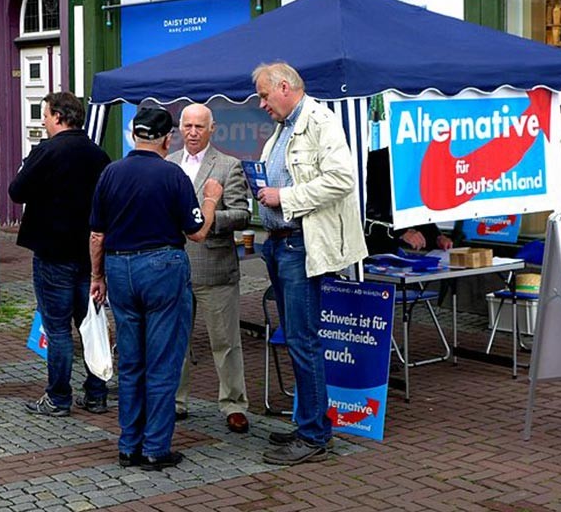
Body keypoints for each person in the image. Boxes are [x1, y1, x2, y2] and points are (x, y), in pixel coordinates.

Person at [89, 105, 223, 471]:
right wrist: (210, 199)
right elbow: (196, 231)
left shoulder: (110, 173)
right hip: (162, 265)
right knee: (162, 361)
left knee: (131, 362)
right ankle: (155, 448)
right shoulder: (173, 175)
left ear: (135, 135)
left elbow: (97, 234)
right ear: (168, 138)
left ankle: (128, 443)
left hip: (119, 267)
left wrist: (96, 277)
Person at [252, 62, 368, 465]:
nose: (262, 104)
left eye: (265, 96)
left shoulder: (320, 120)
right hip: (281, 244)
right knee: (296, 338)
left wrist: (284, 197)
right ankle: (308, 422)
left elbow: (342, 180)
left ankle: (315, 435)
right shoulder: (285, 128)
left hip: (300, 245)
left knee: (304, 340)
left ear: (285, 87)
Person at [8, 91, 111, 417]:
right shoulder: (98, 154)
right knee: (90, 324)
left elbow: (16, 190)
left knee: (57, 328)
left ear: (58, 117)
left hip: (53, 251)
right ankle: (96, 394)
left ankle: (58, 397)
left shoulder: (47, 151)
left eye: (46, 114)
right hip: (89, 254)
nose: (43, 120)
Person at [167, 103, 251, 433]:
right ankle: (175, 401)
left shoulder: (228, 165)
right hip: (175, 268)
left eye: (199, 127)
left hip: (215, 267)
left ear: (212, 130)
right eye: (187, 126)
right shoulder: (169, 164)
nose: (192, 132)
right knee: (176, 341)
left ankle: (234, 404)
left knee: (225, 342)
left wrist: (208, 217)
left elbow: (242, 214)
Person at [364, 147, 453, 255]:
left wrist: (436, 237)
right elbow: (363, 218)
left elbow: (413, 210)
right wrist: (400, 232)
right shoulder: (377, 165)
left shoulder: (412, 167)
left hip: (389, 253)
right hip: (363, 252)